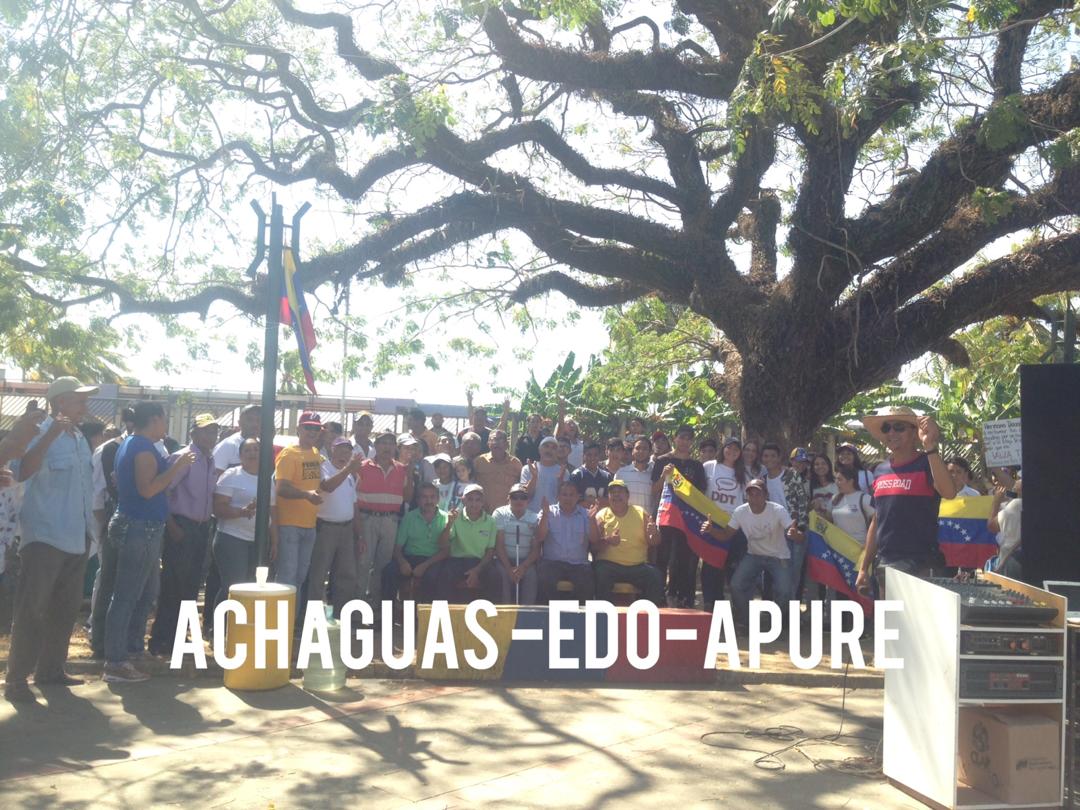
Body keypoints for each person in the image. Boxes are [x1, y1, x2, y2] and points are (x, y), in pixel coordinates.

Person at [5, 377, 99, 701]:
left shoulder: (79, 439)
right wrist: (51, 435)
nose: (85, 407)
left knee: (65, 609)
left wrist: (91, 534)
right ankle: (16, 678)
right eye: (79, 400)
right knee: (32, 609)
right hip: (45, 536)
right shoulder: (39, 431)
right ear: (60, 402)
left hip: (77, 535)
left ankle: (51, 670)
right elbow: (24, 471)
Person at [104, 401, 196, 683]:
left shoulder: (132, 444)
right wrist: (177, 467)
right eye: (164, 419)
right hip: (139, 527)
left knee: (145, 593)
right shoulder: (142, 449)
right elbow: (148, 489)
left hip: (140, 525)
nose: (166, 425)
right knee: (127, 595)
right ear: (154, 419)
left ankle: (131, 650)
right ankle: (116, 662)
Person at [855, 407, 958, 598]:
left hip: (922, 565)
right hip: (885, 564)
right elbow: (876, 521)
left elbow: (949, 492)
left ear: (914, 432)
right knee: (890, 626)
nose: (891, 433)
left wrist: (930, 445)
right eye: (886, 428)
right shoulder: (879, 470)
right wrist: (863, 568)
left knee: (918, 626)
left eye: (899, 427)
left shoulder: (928, 463)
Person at [148, 413, 220, 656]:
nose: (212, 435)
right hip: (182, 525)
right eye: (207, 431)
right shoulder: (183, 458)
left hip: (201, 527)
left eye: (214, 431)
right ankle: (161, 640)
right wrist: (172, 526)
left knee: (190, 586)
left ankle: (179, 638)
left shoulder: (209, 459)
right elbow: (162, 491)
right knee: (173, 585)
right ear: (193, 434)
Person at [706, 478, 797, 626]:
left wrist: (795, 534)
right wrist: (711, 531)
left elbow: (796, 534)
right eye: (751, 495)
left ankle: (775, 622)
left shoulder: (778, 510)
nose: (754, 498)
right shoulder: (740, 512)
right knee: (736, 585)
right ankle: (747, 620)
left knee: (785, 590)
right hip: (753, 555)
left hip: (778, 556)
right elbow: (725, 535)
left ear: (766, 495)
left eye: (758, 494)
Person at [212, 437, 277, 608]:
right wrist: (240, 512)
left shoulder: (267, 479)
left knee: (252, 587)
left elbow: (272, 513)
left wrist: (275, 542)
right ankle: (217, 627)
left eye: (256, 449)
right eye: (247, 450)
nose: (252, 453)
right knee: (233, 586)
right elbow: (218, 508)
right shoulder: (231, 475)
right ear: (240, 455)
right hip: (232, 538)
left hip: (257, 542)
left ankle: (241, 629)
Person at [356, 430, 412, 610]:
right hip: (367, 519)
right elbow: (352, 497)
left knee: (383, 564)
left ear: (395, 447)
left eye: (390, 443)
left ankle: (376, 608)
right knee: (363, 563)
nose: (387, 447)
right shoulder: (362, 467)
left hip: (390, 521)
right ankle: (358, 609)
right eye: (383, 443)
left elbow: (408, 497)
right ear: (376, 446)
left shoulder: (402, 469)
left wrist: (410, 475)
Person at [308, 437, 365, 615]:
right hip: (326, 528)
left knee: (346, 575)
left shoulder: (350, 475)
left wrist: (359, 535)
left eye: (347, 450)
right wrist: (349, 468)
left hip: (347, 529)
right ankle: (313, 616)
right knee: (318, 574)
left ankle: (341, 615)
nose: (344, 453)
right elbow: (327, 486)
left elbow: (354, 505)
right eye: (340, 449)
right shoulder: (323, 467)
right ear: (331, 449)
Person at [652, 425, 707, 609]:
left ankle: (684, 598)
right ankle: (659, 596)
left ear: (692, 442)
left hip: (689, 519)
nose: (684, 441)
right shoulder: (662, 461)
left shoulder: (697, 466)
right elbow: (654, 489)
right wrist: (663, 476)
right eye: (681, 437)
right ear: (674, 438)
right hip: (666, 518)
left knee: (685, 559)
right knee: (663, 558)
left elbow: (700, 494)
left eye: (688, 438)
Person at [272, 411, 325, 590]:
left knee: (300, 577)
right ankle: (282, 618)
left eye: (316, 428)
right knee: (287, 576)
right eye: (308, 427)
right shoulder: (288, 454)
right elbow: (281, 488)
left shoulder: (316, 453)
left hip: (310, 525)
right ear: (298, 429)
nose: (312, 431)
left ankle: (293, 618)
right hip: (289, 524)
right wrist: (306, 495)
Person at [593, 480, 664, 605]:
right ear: (608, 497)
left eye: (620, 492)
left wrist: (655, 533)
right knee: (600, 573)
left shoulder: (641, 513)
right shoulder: (601, 515)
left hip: (637, 566)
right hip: (609, 565)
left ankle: (647, 618)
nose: (616, 495)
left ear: (628, 496)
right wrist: (608, 541)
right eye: (612, 493)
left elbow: (654, 542)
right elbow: (594, 546)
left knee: (655, 576)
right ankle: (602, 618)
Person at [430, 483, 499, 601]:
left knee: (495, 577)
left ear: (483, 502)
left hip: (480, 562)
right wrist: (449, 524)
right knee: (444, 576)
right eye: (470, 499)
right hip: (457, 561)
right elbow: (442, 543)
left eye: (478, 500)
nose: (474, 503)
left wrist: (477, 570)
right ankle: (445, 616)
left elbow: (490, 551)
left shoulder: (491, 521)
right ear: (463, 500)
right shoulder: (454, 517)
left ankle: (491, 617)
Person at [701, 436, 746, 610]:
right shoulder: (709, 466)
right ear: (723, 448)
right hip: (711, 524)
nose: (732, 452)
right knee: (710, 566)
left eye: (736, 449)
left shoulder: (743, 473)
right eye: (729, 448)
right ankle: (709, 603)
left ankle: (734, 609)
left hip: (734, 526)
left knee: (732, 567)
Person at [384, 482, 446, 603]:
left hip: (433, 560)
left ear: (438, 499)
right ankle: (387, 616)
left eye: (432, 497)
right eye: (424, 497)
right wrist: (402, 563)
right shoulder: (409, 517)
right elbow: (397, 547)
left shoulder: (446, 518)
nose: (429, 501)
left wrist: (425, 565)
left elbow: (446, 551)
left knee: (433, 577)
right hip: (410, 558)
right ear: (418, 500)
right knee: (389, 571)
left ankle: (425, 619)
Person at [537, 480, 598, 602]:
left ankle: (578, 617)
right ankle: (550, 616)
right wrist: (544, 515)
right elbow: (539, 537)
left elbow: (594, 539)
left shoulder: (586, 515)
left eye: (571, 495)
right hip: (553, 563)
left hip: (578, 564)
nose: (568, 498)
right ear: (558, 496)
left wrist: (592, 520)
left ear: (578, 497)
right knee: (544, 577)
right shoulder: (548, 512)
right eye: (564, 494)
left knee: (587, 581)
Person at [493, 483, 546, 604]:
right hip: (503, 560)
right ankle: (506, 614)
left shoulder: (534, 518)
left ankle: (527, 614)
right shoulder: (499, 514)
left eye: (523, 497)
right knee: (503, 576)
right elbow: (499, 545)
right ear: (508, 499)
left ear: (528, 500)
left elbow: (536, 549)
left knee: (531, 576)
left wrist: (523, 567)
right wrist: (509, 569)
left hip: (525, 561)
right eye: (514, 497)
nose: (519, 500)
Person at [782, 447, 812, 600]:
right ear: (791, 461)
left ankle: (791, 603)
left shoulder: (807, 480)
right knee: (788, 568)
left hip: (802, 528)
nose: (800, 464)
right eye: (797, 461)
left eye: (803, 462)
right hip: (788, 527)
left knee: (796, 569)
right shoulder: (786, 477)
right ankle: (786, 605)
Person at [473, 429, 523, 513]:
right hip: (483, 514)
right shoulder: (479, 461)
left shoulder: (515, 463)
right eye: (493, 439)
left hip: (507, 515)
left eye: (501, 439)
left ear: (507, 444)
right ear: (488, 444)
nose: (497, 442)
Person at [828, 465, 875, 547]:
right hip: (839, 549)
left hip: (859, 549)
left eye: (840, 479)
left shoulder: (864, 498)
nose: (836, 482)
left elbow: (877, 521)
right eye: (835, 479)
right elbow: (828, 519)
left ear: (851, 481)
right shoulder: (834, 498)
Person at [987, 479, 1022, 578]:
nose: (1016, 480)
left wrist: (996, 501)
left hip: (1012, 562)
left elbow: (992, 526)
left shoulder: (1017, 504)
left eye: (1020, 478)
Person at [521, 436, 565, 513]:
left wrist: (560, 481)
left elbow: (565, 499)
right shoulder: (528, 469)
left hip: (553, 517)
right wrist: (534, 477)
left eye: (553, 448)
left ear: (557, 452)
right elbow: (524, 496)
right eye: (546, 446)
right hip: (530, 517)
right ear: (539, 449)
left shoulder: (563, 471)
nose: (549, 450)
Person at [212, 404, 261, 472]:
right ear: (239, 423)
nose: (255, 424)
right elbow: (215, 478)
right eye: (250, 420)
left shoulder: (262, 446)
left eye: (258, 420)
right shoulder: (228, 446)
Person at [616, 437, 655, 516]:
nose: (641, 451)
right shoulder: (621, 473)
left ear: (650, 452)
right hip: (626, 522)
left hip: (647, 523)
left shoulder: (654, 474)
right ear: (633, 451)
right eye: (637, 448)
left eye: (645, 449)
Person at [570, 441, 612, 510]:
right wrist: (598, 502)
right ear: (583, 456)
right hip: (581, 516)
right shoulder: (577, 475)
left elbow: (610, 501)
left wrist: (591, 500)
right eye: (589, 455)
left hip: (601, 517)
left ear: (599, 456)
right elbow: (574, 501)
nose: (592, 458)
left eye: (595, 455)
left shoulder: (606, 476)